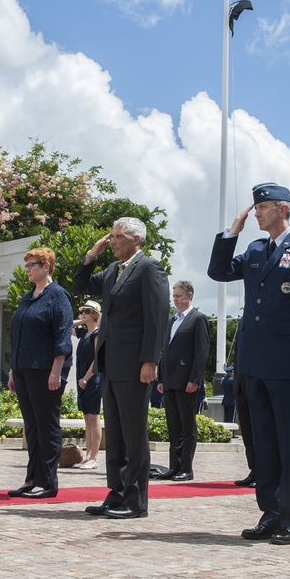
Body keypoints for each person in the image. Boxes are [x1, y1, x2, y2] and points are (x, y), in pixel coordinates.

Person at [208, 182, 290, 545]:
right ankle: (271, 513)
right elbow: (219, 271)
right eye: (255, 207)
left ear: (283, 208)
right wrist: (231, 232)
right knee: (262, 442)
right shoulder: (255, 249)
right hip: (253, 362)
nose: (256, 212)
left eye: (262, 207)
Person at [74, 216, 169, 520]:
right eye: (111, 236)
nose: (112, 240)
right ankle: (115, 494)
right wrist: (92, 254)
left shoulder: (149, 268)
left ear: (135, 239)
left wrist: (150, 360)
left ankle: (135, 500)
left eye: (117, 236)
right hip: (111, 363)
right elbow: (80, 284)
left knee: (133, 434)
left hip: (134, 364)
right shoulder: (113, 270)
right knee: (115, 435)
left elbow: (156, 316)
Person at [7, 247, 74, 499]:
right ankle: (32, 477)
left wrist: (56, 371)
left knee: (46, 425)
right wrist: (13, 369)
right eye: (26, 265)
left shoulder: (58, 295)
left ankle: (48, 482)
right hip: (24, 368)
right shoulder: (28, 297)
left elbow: (62, 335)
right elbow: (17, 334)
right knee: (32, 425)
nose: (28, 270)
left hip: (46, 369)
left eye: (31, 265)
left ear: (46, 266)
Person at [156, 280, 210, 481]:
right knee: (173, 426)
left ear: (189, 296)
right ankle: (174, 466)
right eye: (174, 295)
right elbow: (165, 351)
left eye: (178, 296)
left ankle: (187, 468)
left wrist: (195, 379)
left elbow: (201, 352)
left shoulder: (198, 319)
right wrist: (161, 378)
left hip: (187, 381)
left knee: (188, 427)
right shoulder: (172, 321)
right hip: (170, 380)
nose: (175, 299)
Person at [73, 299, 103, 470]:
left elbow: (96, 359)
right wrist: (82, 321)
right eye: (82, 310)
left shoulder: (96, 334)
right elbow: (65, 325)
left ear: (94, 315)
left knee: (94, 417)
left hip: (92, 378)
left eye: (87, 311)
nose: (83, 313)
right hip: (81, 377)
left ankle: (94, 456)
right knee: (87, 418)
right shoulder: (82, 333)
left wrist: (86, 378)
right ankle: (87, 455)